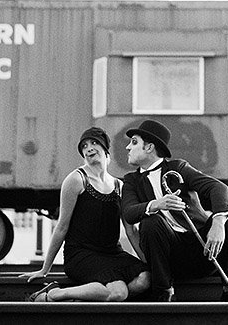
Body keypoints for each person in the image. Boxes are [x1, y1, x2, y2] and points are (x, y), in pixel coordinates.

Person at [20, 127, 150, 302]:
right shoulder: (76, 180)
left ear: (105, 148)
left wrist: (148, 262)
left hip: (111, 254)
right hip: (81, 255)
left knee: (145, 279)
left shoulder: (119, 186)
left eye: (94, 143)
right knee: (119, 292)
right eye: (84, 146)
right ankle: (55, 293)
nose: (88, 148)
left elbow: (131, 231)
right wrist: (45, 269)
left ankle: (90, 297)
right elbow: (61, 227)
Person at [121, 119, 228, 302]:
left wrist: (218, 222)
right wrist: (157, 204)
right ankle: (164, 291)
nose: (127, 148)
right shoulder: (131, 181)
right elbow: (130, 213)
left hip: (204, 250)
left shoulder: (178, 168)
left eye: (134, 142)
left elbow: (219, 188)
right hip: (171, 259)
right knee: (150, 221)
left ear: (149, 147)